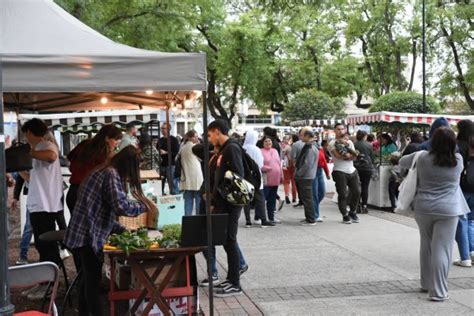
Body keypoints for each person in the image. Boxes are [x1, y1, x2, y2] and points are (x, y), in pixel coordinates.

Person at [64, 146, 156, 316]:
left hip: (84, 231)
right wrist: (144, 207)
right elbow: (120, 206)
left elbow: (103, 211)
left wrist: (122, 229)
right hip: (87, 234)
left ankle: (84, 313)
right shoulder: (110, 174)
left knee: (87, 279)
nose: (130, 177)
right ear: (128, 166)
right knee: (91, 281)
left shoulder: (105, 170)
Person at [400, 127, 470, 301]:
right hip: (449, 209)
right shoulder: (458, 160)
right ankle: (438, 291)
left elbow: (402, 161)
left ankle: (425, 283)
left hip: (423, 207)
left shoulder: (422, 157)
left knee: (426, 244)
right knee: (442, 249)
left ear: (433, 141)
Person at [20, 119, 63, 299]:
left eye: (25, 134)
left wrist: (30, 153)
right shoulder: (38, 149)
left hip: (45, 205)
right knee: (42, 244)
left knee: (46, 245)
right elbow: (33, 178)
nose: (25, 138)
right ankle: (46, 282)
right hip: (40, 204)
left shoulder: (45, 145)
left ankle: (50, 285)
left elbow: (52, 156)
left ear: (30, 132)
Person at [207, 119, 245, 297]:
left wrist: (220, 194)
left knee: (230, 240)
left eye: (209, 135)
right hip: (223, 202)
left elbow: (238, 175)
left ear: (217, 131)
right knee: (226, 240)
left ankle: (235, 283)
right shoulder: (224, 149)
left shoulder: (232, 148)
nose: (209, 139)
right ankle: (231, 279)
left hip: (231, 202)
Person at [67, 124, 123, 214]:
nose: (117, 142)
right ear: (107, 138)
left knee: (76, 225)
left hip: (73, 191)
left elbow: (70, 159)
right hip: (88, 194)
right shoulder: (105, 153)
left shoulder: (84, 143)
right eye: (115, 139)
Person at [330, 123, 361, 224]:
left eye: (342, 129)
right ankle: (345, 214)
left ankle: (352, 211)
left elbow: (354, 156)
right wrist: (349, 156)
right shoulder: (332, 144)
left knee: (357, 191)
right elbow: (341, 156)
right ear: (334, 131)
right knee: (343, 194)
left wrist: (351, 155)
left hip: (352, 170)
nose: (341, 131)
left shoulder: (350, 142)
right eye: (338, 129)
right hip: (339, 171)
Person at [242, 131, 274, 228]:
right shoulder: (256, 149)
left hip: (245, 176)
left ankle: (248, 221)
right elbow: (260, 164)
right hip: (256, 176)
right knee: (260, 198)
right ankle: (263, 220)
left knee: (246, 198)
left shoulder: (243, 148)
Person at [454, 119, 474, 267]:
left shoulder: (458, 145)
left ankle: (465, 256)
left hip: (462, 188)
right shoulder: (472, 143)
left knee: (462, 221)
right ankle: (472, 252)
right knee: (471, 222)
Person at [294, 130, 319, 226]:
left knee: (308, 198)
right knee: (307, 198)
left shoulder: (311, 148)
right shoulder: (310, 146)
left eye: (302, 135)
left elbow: (307, 164)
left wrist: (299, 173)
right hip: (307, 175)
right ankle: (309, 217)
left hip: (306, 176)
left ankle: (311, 219)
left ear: (307, 136)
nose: (300, 137)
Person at [180, 130, 203, 216]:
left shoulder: (183, 147)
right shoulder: (194, 147)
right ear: (191, 137)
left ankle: (188, 219)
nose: (197, 138)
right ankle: (198, 218)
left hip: (186, 177)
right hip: (196, 177)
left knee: (188, 200)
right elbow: (201, 159)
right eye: (195, 136)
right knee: (198, 199)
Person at [261, 136, 283, 224]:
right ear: (263, 143)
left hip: (276, 178)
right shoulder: (260, 151)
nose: (268, 143)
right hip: (266, 178)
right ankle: (260, 217)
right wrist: (264, 168)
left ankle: (271, 217)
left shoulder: (275, 151)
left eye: (269, 141)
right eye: (266, 141)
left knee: (272, 199)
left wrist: (281, 174)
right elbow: (258, 164)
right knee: (263, 199)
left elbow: (279, 163)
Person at [354, 130, 375, 214]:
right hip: (367, 168)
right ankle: (365, 206)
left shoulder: (354, 144)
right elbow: (372, 157)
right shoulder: (369, 145)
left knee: (357, 187)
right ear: (364, 136)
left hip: (356, 167)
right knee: (365, 187)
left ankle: (357, 205)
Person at [158, 123, 180, 195]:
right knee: (161, 184)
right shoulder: (160, 140)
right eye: (162, 128)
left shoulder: (174, 140)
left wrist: (166, 152)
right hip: (161, 165)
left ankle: (174, 198)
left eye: (164, 128)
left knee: (172, 184)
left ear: (169, 129)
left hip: (170, 165)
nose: (163, 130)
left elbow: (176, 152)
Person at [313, 140, 331, 222]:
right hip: (312, 171)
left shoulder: (319, 149)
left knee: (322, 193)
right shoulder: (309, 149)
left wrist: (327, 173)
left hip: (319, 171)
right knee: (314, 194)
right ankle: (315, 214)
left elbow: (323, 161)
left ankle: (313, 207)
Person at [281, 135, 297, 204]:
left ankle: (287, 195)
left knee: (286, 181)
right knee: (294, 182)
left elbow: (282, 156)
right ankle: (294, 197)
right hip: (294, 165)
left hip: (286, 165)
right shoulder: (295, 147)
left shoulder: (286, 147)